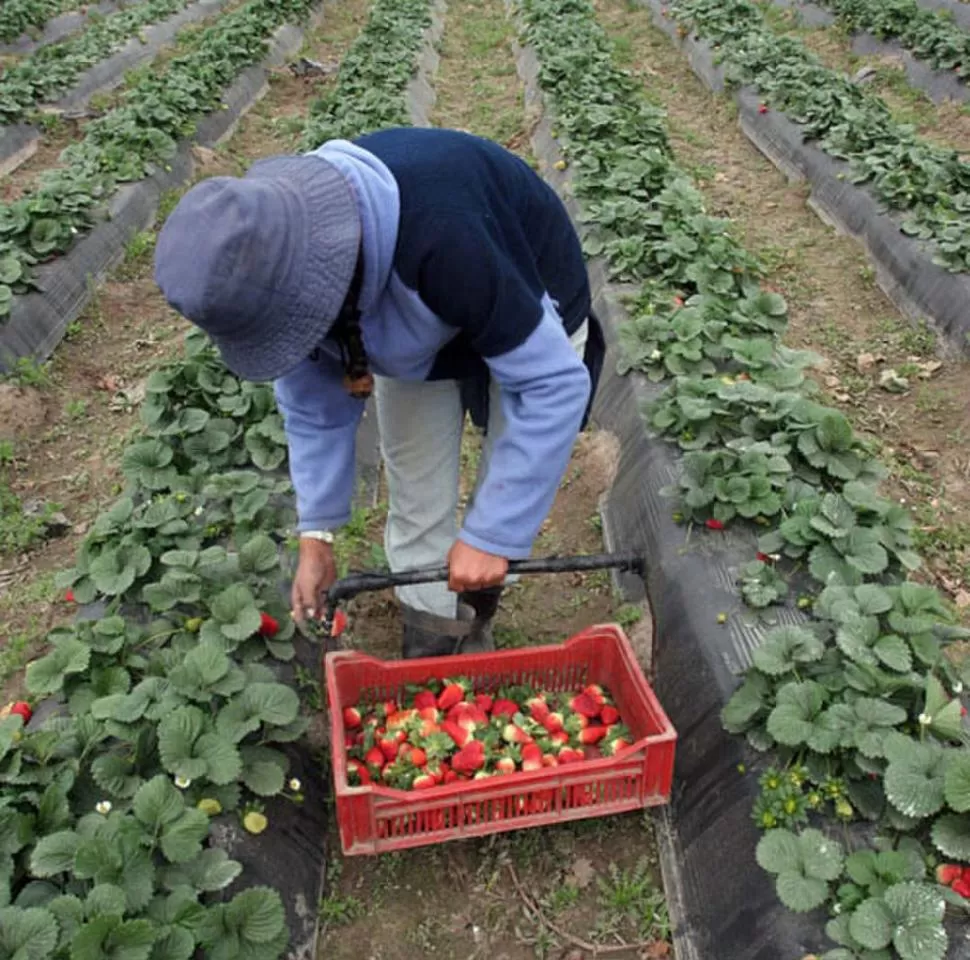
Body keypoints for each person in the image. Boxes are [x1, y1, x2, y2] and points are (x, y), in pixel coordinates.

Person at [154, 126, 603, 658]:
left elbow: (552, 384)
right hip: (412, 323)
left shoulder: (443, 232)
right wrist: (316, 533)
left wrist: (492, 536)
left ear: (327, 283)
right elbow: (313, 406)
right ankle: (435, 643)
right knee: (416, 491)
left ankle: (482, 604)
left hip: (525, 291)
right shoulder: (282, 270)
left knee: (504, 485)